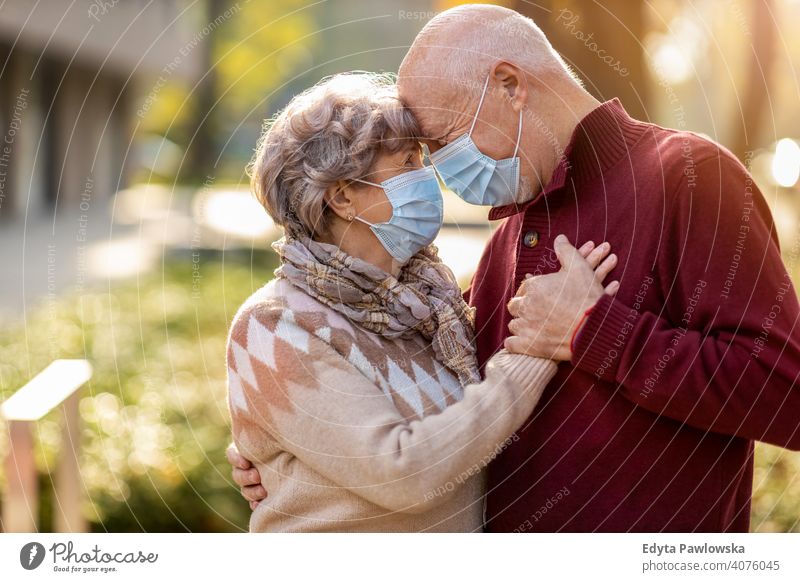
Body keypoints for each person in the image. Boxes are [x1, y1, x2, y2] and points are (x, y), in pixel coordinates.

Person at [232, 4, 800, 533]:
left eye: (445, 140)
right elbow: (446, 414)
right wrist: (292, 459)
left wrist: (593, 331)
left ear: (510, 85)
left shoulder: (687, 177)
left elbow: (787, 395)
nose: (444, 171)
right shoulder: (510, 232)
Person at [225, 72, 618, 532]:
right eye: (408, 162)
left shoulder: (431, 305)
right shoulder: (273, 326)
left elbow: (469, 434)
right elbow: (407, 472)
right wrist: (535, 349)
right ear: (343, 197)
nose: (429, 177)